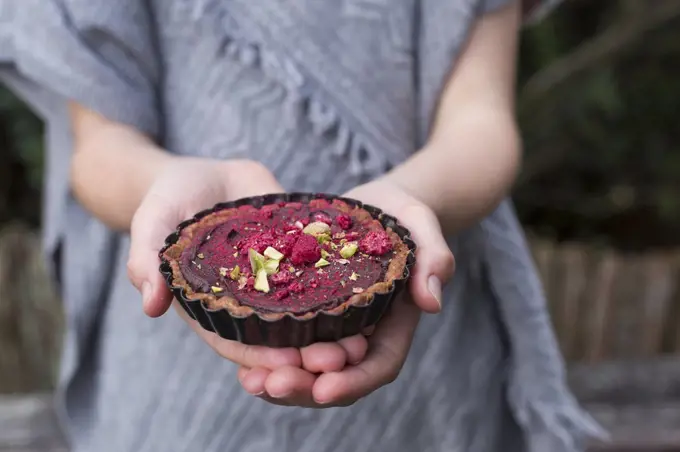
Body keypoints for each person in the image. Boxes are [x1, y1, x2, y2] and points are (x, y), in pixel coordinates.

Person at [0, 0, 602, 450]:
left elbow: (481, 125)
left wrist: (411, 197)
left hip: (429, 361)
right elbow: (101, 149)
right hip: (175, 374)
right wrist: (164, 186)